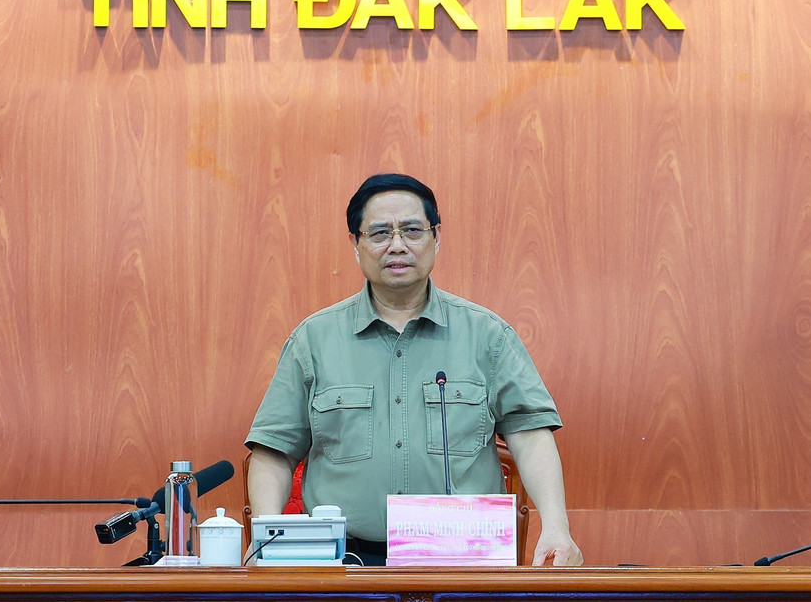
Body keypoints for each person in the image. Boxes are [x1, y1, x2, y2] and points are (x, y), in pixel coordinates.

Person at [245, 174, 583, 566]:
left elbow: (530, 435)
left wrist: (556, 526)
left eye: (411, 230)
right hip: (345, 564)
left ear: (436, 238)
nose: (397, 245)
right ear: (355, 245)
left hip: (464, 560)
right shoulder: (314, 340)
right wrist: (267, 538)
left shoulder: (487, 335)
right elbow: (273, 450)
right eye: (379, 233)